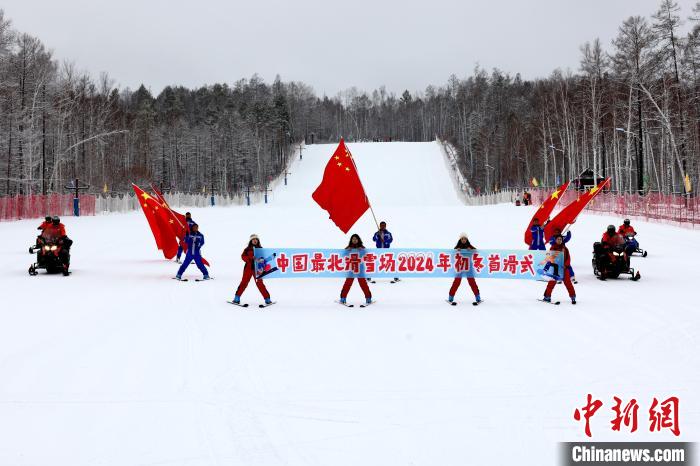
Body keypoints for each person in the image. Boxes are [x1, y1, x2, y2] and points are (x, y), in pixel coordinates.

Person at [233, 234, 271, 305]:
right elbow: (243, 257)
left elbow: (264, 257)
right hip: (248, 268)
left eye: (256, 239)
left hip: (258, 269)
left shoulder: (260, 249)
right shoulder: (247, 249)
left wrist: (261, 259)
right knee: (244, 282)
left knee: (260, 284)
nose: (255, 240)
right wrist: (251, 258)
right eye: (253, 239)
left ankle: (267, 299)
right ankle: (237, 297)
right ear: (251, 241)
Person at [543, 234, 576, 304]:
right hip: (555, 269)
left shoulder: (565, 248)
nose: (559, 240)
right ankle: (547, 296)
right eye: (558, 239)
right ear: (555, 240)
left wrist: (565, 265)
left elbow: (568, 258)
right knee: (551, 283)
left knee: (568, 283)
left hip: (564, 269)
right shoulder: (552, 248)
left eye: (560, 239)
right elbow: (550, 258)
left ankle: (573, 296)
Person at [448, 233, 481, 304]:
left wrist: (471, 249)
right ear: (460, 239)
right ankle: (450, 297)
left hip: (469, 267)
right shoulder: (457, 246)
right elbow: (452, 254)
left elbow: (476, 251)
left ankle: (478, 297)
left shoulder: (469, 246)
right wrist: (456, 250)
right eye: (462, 239)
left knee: (472, 282)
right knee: (457, 281)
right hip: (460, 267)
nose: (464, 240)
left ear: (467, 239)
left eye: (465, 239)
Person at [340, 234, 372, 305]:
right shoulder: (348, 247)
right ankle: (343, 298)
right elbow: (342, 255)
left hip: (360, 269)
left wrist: (361, 251)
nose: (354, 240)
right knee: (347, 283)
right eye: (353, 239)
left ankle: (368, 298)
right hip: (351, 269)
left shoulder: (362, 247)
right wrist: (347, 251)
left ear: (358, 240)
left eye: (356, 239)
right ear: (351, 240)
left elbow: (367, 255)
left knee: (363, 283)